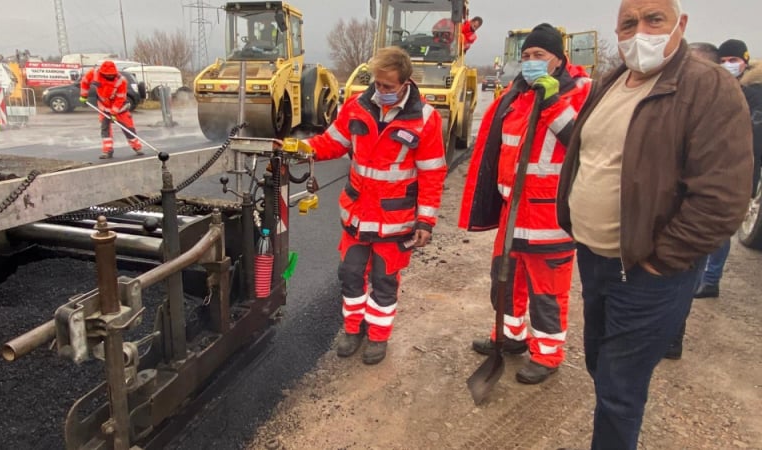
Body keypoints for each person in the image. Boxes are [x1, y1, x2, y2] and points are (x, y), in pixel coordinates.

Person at [555, 0, 753, 448]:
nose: (639, 31)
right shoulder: (612, 82)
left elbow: (722, 198)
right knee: (600, 364)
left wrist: (662, 261)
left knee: (619, 389)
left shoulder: (709, 88)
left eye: (654, 19)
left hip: (647, 272)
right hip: (595, 258)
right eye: (628, 23)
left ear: (680, 25)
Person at [459, 23, 591, 384]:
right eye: (527, 56)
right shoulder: (518, 94)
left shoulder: (579, 92)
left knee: (546, 294)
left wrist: (551, 101)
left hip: (549, 217)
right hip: (512, 213)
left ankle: (547, 354)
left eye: (540, 56)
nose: (531, 62)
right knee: (504, 283)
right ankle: (510, 336)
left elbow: (579, 143)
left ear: (559, 59)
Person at [300, 47, 447, 365]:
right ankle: (353, 330)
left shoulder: (425, 119)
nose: (381, 91)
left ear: (405, 83)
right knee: (350, 274)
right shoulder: (357, 107)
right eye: (377, 84)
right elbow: (332, 142)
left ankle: (378, 337)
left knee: (384, 281)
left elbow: (433, 173)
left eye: (388, 87)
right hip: (356, 215)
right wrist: (302, 149)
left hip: (396, 220)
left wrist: (426, 221)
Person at [664, 40, 722, 361]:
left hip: (687, 218)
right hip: (657, 212)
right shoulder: (669, 102)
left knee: (681, 281)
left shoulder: (719, 113)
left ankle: (672, 339)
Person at [692, 39, 762, 299]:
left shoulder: (753, 93)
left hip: (737, 172)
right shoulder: (720, 88)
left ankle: (710, 279)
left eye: (733, 61)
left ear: (745, 61)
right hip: (716, 168)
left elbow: (754, 141)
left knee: (719, 227)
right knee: (709, 225)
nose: (728, 65)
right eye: (722, 61)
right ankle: (706, 278)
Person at [79, 61, 143, 159]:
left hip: (120, 108)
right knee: (105, 129)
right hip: (103, 107)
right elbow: (84, 81)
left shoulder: (121, 81)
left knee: (128, 128)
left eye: (111, 75)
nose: (110, 76)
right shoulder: (94, 73)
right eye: (108, 75)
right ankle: (107, 151)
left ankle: (137, 147)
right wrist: (84, 95)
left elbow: (120, 99)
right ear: (102, 72)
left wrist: (114, 113)